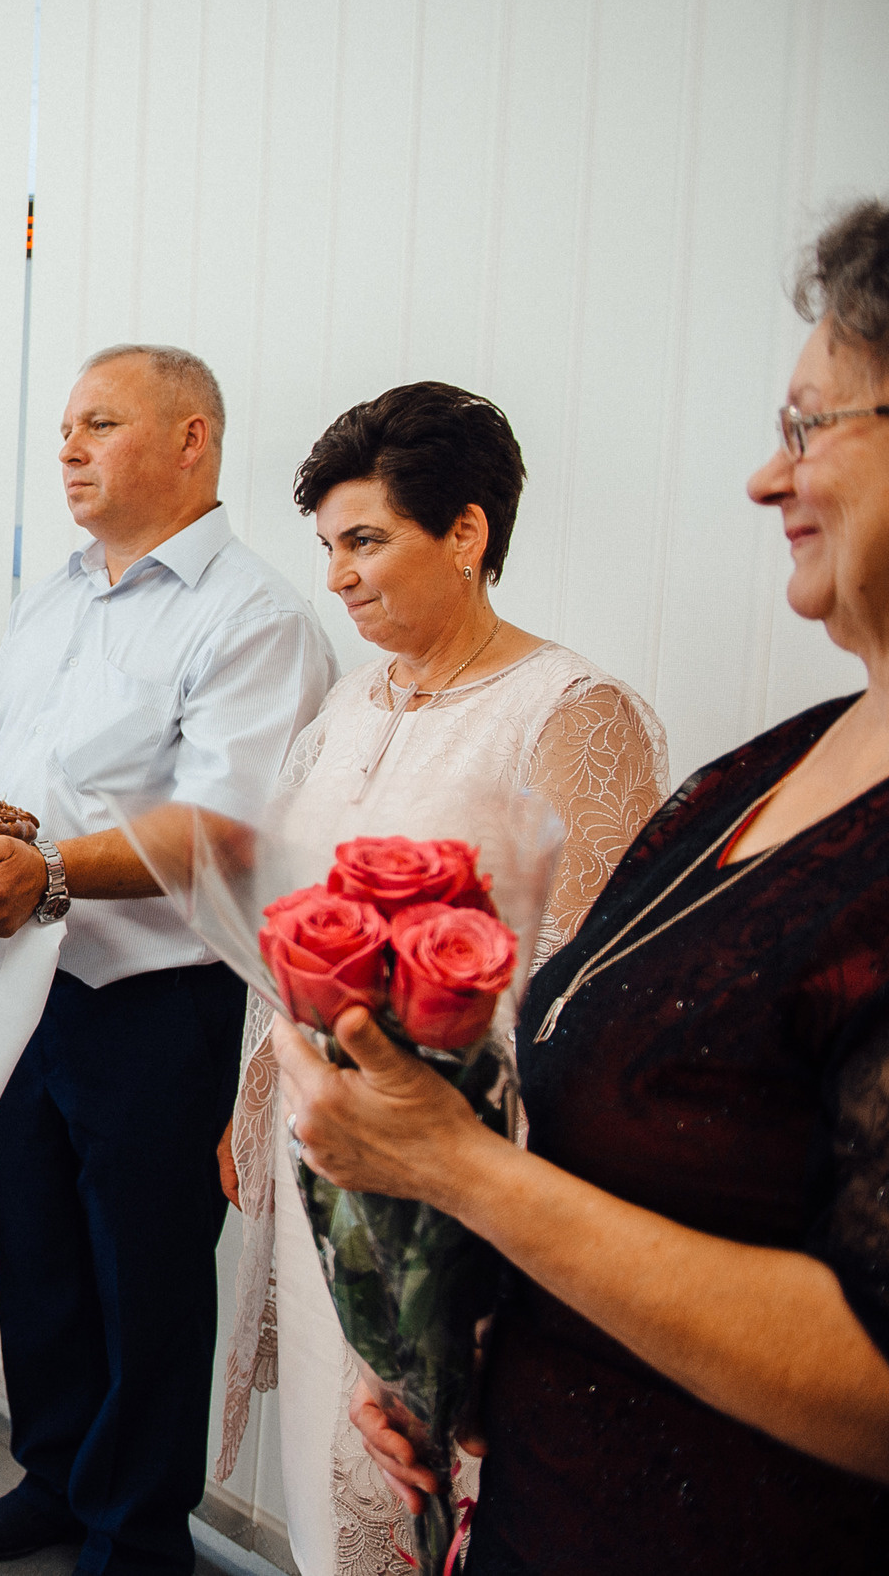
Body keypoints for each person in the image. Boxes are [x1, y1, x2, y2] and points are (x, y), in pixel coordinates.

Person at [291, 202, 889, 1575]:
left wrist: (457, 1178)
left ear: (467, 532)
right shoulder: (765, 772)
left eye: (812, 428)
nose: (762, 477)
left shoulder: (580, 712)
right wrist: (462, 1328)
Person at [218, 383, 668, 1576]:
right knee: (328, 1480)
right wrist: (252, 1100)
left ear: (465, 533)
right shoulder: (342, 707)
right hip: (320, 1168)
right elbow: (287, 930)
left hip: (452, 1189)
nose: (337, 577)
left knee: (426, 1500)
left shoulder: (570, 714)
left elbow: (582, 1007)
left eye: (364, 540)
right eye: (326, 546)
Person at [0, 344, 336, 1572]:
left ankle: (136, 1527)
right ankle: (55, 1473)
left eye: (100, 423)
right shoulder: (57, 593)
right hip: (25, 975)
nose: (69, 449)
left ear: (192, 438)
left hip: (160, 996)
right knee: (33, 1244)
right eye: (65, 427)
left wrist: (46, 868)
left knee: (143, 1274)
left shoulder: (253, 617)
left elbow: (222, 825)